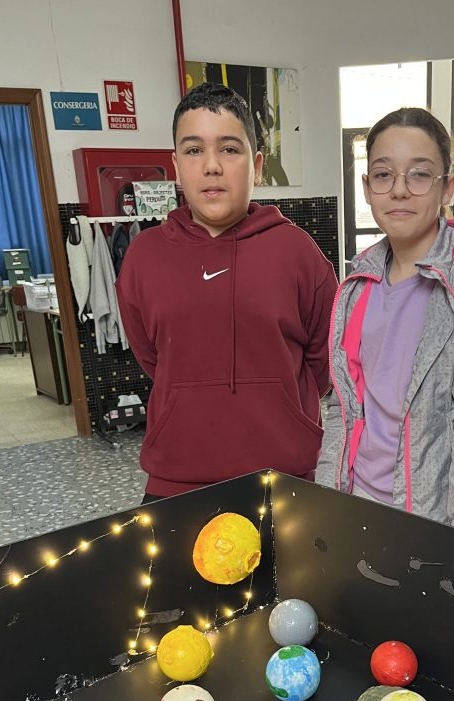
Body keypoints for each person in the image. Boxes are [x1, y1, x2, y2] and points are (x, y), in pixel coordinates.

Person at [117, 83, 338, 501]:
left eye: (230, 149)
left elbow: (323, 362)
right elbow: (152, 357)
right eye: (194, 150)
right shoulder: (144, 256)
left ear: (257, 166)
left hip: (283, 479)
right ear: (176, 166)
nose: (212, 166)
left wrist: (279, 404)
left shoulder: (297, 252)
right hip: (174, 482)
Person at [315, 107, 454, 535]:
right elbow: (342, 406)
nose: (400, 191)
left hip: (432, 514)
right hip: (355, 499)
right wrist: (328, 497)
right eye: (384, 175)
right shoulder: (359, 280)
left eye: (420, 175)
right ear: (367, 188)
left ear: (448, 187)